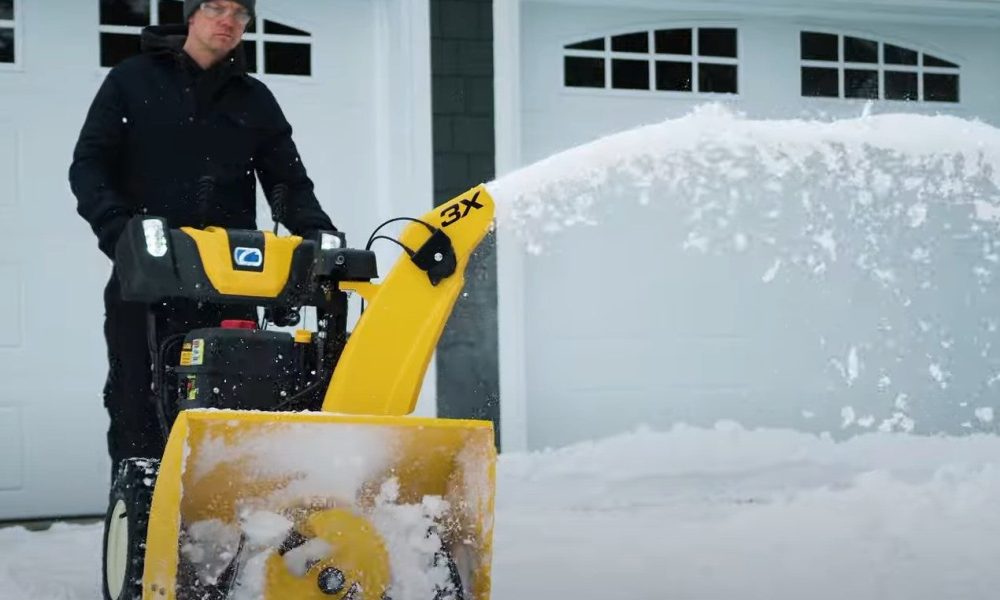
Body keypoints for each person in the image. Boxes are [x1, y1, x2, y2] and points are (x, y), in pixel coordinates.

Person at [69, 0, 336, 474]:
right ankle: (142, 521)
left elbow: (288, 184)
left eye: (240, 13)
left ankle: (227, 523)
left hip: (230, 282)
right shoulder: (133, 80)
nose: (227, 21)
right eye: (215, 7)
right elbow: (89, 166)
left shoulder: (253, 99)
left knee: (235, 398)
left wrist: (318, 234)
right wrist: (122, 233)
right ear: (192, 14)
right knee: (140, 401)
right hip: (148, 279)